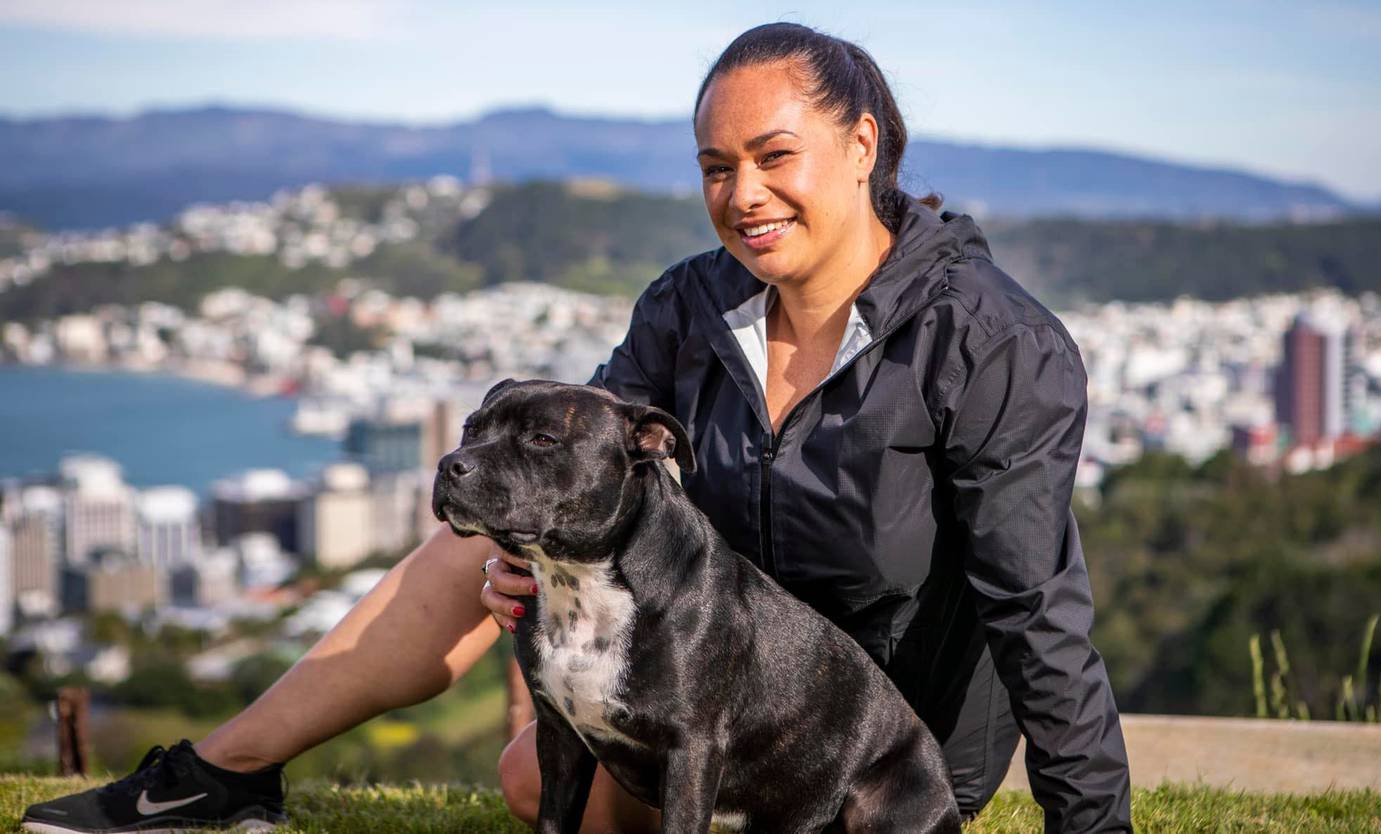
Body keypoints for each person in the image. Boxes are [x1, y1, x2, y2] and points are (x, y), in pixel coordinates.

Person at [23, 21, 1131, 834]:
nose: (743, 194)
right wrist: (517, 553)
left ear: (861, 146)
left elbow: (1040, 620)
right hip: (698, 685)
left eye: (774, 156)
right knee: (490, 539)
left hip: (875, 750)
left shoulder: (989, 345)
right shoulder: (692, 308)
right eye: (715, 166)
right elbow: (564, 463)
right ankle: (222, 773)